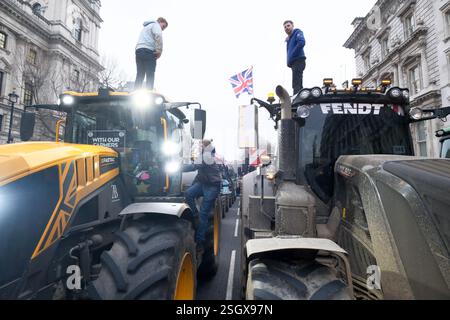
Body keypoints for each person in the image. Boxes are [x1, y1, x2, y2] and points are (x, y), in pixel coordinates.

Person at [183, 140, 222, 252]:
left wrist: (179, 168)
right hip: (203, 183)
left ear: (205, 146)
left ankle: (199, 242)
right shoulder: (203, 155)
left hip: (212, 186)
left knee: (204, 214)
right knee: (188, 194)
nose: (199, 146)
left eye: (201, 145)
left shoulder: (206, 156)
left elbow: (195, 166)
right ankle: (194, 214)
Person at [135, 17, 168, 90]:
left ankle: (136, 91)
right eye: (163, 26)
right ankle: (149, 92)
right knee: (150, 74)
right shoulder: (156, 25)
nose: (163, 29)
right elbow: (158, 36)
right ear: (160, 22)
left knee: (140, 74)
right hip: (148, 51)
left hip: (139, 51)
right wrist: (159, 51)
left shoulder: (146, 27)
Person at [284, 20, 306, 95]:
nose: (286, 28)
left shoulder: (298, 32)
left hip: (298, 60)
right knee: (297, 83)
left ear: (293, 25)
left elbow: (301, 42)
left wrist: (293, 54)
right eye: (285, 27)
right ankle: (300, 96)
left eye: (288, 25)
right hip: (294, 63)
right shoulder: (289, 39)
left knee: (296, 83)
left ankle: (297, 99)